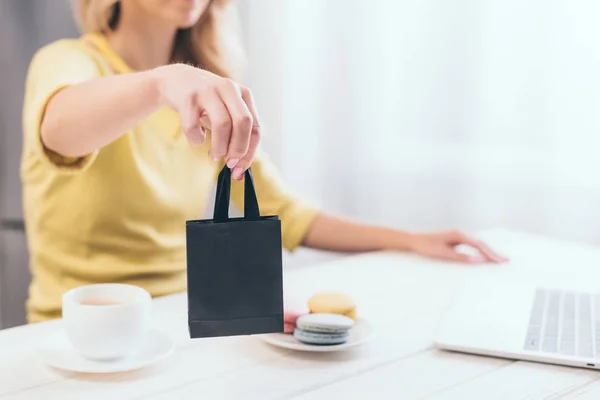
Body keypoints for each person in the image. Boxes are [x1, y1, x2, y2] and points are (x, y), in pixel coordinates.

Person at [21, 0, 506, 323]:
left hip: (187, 322)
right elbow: (59, 129)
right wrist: (159, 83)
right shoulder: (68, 62)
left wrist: (410, 240)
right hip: (79, 331)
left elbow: (287, 214)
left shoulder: (210, 91)